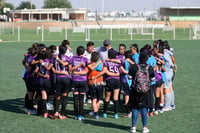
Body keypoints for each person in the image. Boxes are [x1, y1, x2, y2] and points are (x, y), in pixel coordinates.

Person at [129, 50, 155, 133]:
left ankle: (133, 127)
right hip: (146, 91)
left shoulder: (134, 67)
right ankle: (144, 127)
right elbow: (153, 79)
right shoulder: (149, 67)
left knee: (135, 108)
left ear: (139, 58)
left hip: (135, 90)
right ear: (147, 59)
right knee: (144, 108)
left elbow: (129, 78)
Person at [69, 46, 89, 120]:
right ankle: (80, 115)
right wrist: (80, 66)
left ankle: (76, 115)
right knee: (81, 99)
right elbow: (88, 68)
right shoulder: (85, 59)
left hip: (75, 80)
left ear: (76, 51)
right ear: (83, 52)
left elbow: (70, 69)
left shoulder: (72, 58)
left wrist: (75, 69)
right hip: (83, 80)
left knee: (75, 98)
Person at [52, 45, 71, 119]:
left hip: (58, 78)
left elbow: (53, 70)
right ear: (65, 51)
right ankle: (62, 114)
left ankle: (56, 111)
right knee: (64, 96)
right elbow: (69, 68)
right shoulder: (67, 58)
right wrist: (64, 72)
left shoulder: (54, 59)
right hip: (66, 79)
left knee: (58, 95)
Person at [87, 52, 104, 119]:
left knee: (94, 99)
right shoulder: (101, 64)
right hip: (100, 82)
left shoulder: (90, 64)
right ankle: (96, 112)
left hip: (92, 83)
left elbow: (90, 69)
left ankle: (95, 113)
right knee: (98, 99)